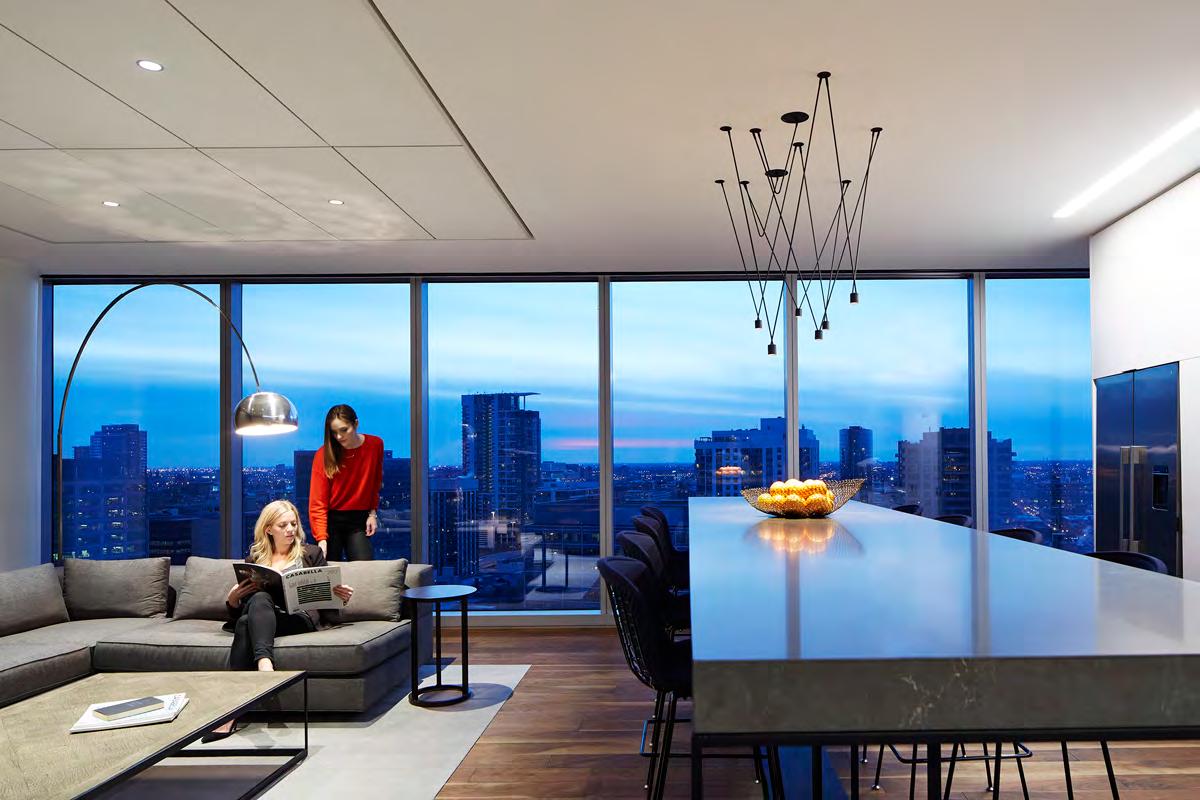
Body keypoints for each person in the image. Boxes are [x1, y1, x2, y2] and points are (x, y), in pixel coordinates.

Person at [207, 499, 354, 742]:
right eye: (283, 525)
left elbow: (326, 602)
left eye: (293, 524)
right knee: (251, 613)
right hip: (263, 619)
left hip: (299, 620)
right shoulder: (255, 559)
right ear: (268, 529)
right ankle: (264, 667)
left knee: (248, 620)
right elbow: (243, 612)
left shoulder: (311, 554)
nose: (290, 530)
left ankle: (231, 710)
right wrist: (232, 600)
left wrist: (340, 597)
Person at [309, 404, 384, 561]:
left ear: (356, 424)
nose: (339, 436)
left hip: (358, 520)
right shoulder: (323, 454)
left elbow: (375, 482)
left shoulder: (375, 445)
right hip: (330, 521)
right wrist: (321, 538)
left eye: (344, 430)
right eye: (334, 432)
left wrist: (372, 513)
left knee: (364, 569)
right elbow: (317, 502)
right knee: (328, 570)